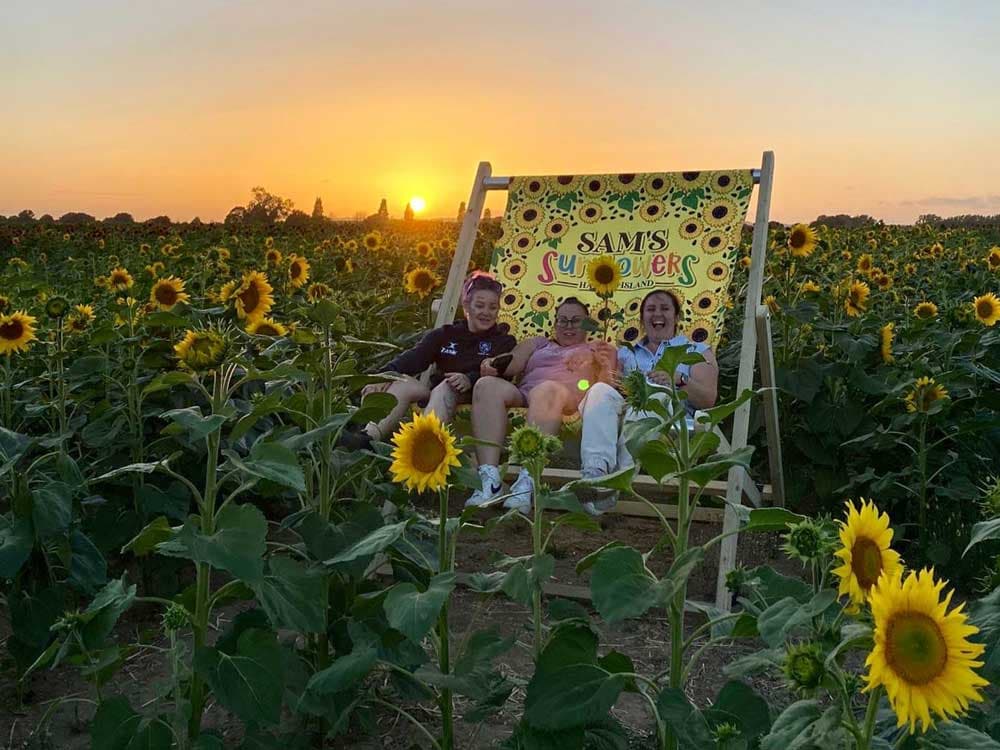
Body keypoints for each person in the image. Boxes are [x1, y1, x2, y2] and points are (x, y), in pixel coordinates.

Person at [466, 297, 618, 512]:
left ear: (587, 324)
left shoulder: (597, 348)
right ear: (554, 323)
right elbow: (512, 362)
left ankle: (527, 480)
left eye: (575, 321)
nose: (567, 326)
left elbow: (607, 390)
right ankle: (490, 480)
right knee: (486, 385)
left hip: (566, 399)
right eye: (562, 320)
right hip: (527, 395)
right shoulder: (538, 343)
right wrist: (492, 364)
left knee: (547, 389)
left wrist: (603, 366)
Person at [576, 288, 720, 514]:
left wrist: (677, 379)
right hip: (628, 411)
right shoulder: (626, 353)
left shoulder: (696, 350)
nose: (657, 314)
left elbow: (708, 398)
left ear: (677, 317)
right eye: (650, 309)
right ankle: (594, 473)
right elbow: (612, 393)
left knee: (653, 393)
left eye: (665, 308)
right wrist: (606, 370)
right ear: (643, 319)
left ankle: (615, 480)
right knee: (599, 391)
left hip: (670, 413)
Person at [340, 272, 516, 449]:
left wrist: (469, 379)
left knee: (447, 386)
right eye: (480, 306)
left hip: (474, 399)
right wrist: (381, 377)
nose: (486, 312)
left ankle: (420, 449)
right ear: (466, 306)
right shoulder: (446, 334)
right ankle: (367, 439)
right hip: (436, 395)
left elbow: (501, 374)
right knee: (402, 382)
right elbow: (412, 358)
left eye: (493, 307)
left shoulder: (503, 342)